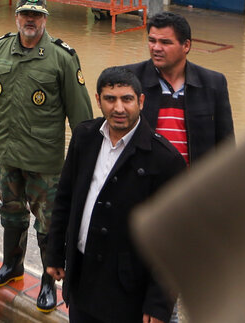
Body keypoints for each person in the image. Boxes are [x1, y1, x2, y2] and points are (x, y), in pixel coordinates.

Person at [0, 0, 93, 313]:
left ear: (44, 19)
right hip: (7, 154)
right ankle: (13, 267)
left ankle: (49, 285)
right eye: (25, 14)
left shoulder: (61, 57)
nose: (30, 19)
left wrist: (87, 159)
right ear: (17, 16)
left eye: (36, 15)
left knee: (49, 225)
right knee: (10, 213)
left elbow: (81, 114)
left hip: (45, 161)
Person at [45, 66, 185, 323]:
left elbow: (174, 239)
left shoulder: (165, 159)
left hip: (128, 287)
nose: (119, 108)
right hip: (81, 276)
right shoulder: (84, 137)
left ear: (141, 101)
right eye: (110, 99)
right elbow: (65, 199)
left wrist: (158, 304)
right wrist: (55, 252)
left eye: (127, 99)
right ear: (98, 100)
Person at [125, 11, 233, 165]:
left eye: (165, 42)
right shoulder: (129, 78)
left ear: (186, 45)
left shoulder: (213, 84)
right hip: (144, 184)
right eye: (152, 40)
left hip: (192, 185)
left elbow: (226, 145)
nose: (156, 48)